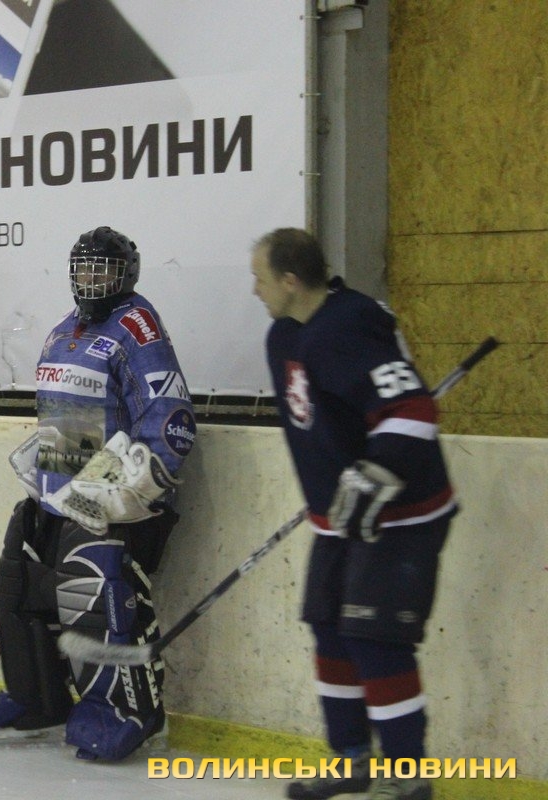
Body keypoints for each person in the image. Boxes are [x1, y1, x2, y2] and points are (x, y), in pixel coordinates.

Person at [0, 226, 196, 762]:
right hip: (61, 489)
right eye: (84, 269)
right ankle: (37, 698)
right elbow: (66, 412)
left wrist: (128, 486)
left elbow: (171, 421)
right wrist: (47, 463)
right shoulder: (63, 330)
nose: (92, 280)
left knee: (90, 590)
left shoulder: (137, 327)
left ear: (126, 275)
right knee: (18, 581)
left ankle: (125, 710)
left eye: (103, 270)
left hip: (113, 503)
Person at [250, 228, 454, 800]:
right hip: (339, 520)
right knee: (330, 631)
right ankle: (351, 760)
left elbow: (413, 410)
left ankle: (407, 777)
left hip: (402, 517)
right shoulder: (283, 335)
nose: (255, 290)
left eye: (261, 279)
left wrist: (375, 471)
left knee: (376, 640)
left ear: (291, 281)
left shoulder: (348, 325)